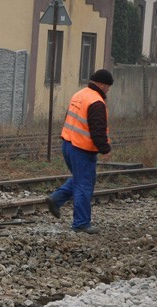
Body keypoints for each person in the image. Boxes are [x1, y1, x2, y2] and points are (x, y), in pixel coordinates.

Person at [46, 69, 114, 234]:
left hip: (68, 144)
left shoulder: (79, 95)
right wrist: (105, 149)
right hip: (82, 149)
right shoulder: (96, 102)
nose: (108, 90)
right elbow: (97, 130)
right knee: (84, 184)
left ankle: (56, 199)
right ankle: (81, 223)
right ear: (102, 84)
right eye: (108, 86)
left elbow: (68, 119)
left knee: (81, 178)